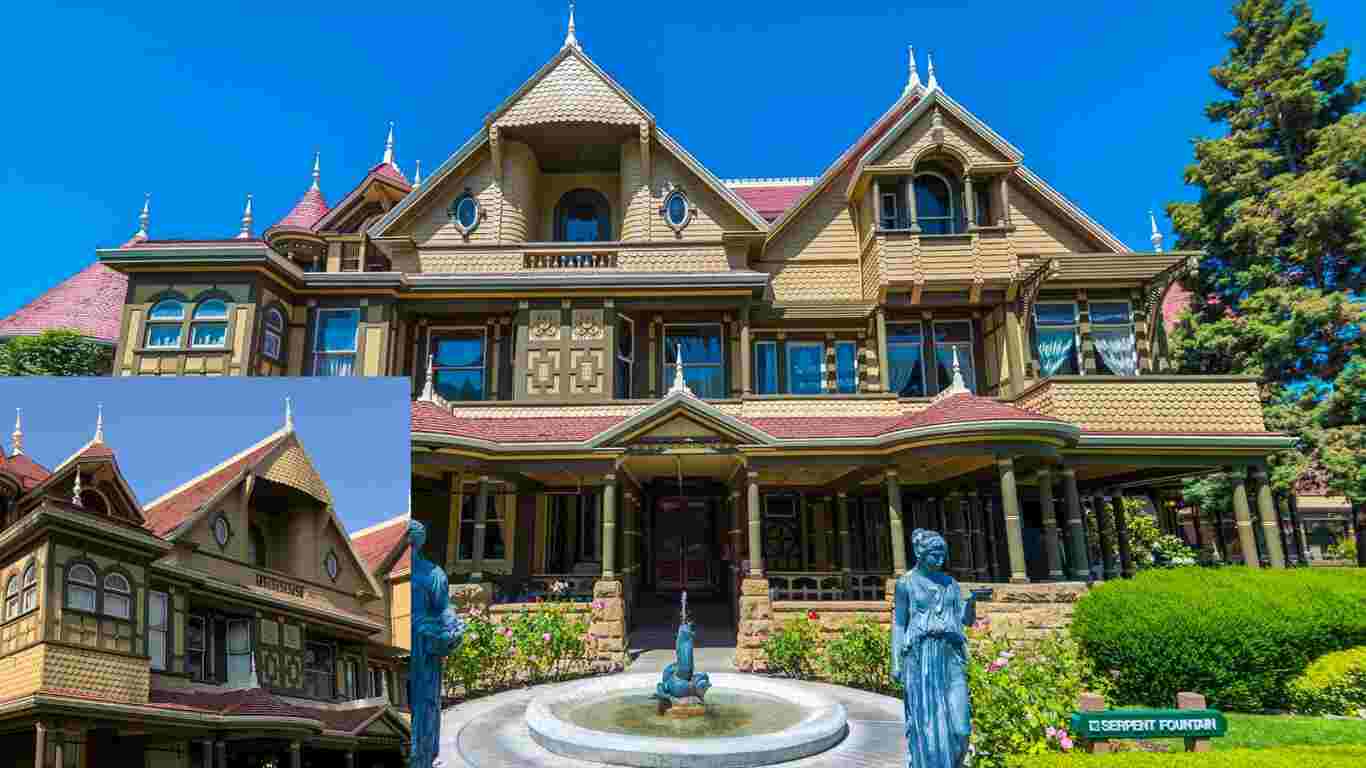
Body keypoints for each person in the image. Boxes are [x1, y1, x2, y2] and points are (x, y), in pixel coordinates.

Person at [891, 529, 974, 768]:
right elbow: (898, 624)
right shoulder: (905, 584)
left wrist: (970, 606)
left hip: (950, 655)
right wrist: (896, 662)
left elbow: (965, 621)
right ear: (920, 553)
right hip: (920, 657)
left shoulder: (950, 583)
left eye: (943, 555)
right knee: (927, 727)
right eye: (934, 554)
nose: (940, 560)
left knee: (961, 728)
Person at [409, 519, 465, 768]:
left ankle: (422, 758)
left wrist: (454, 627)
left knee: (424, 704)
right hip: (401, 640)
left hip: (422, 645)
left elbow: (444, 608)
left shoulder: (432, 574)